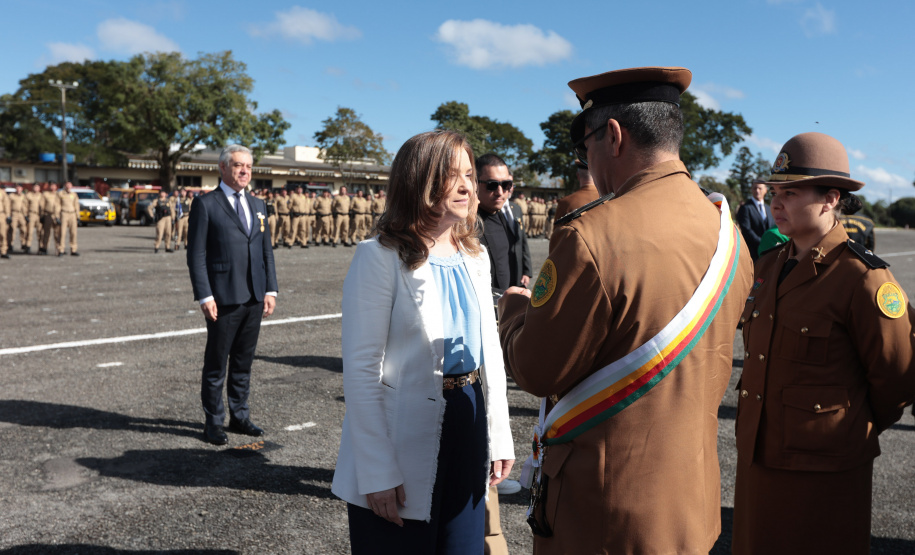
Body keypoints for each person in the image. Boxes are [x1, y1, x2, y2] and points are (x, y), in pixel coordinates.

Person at [497, 66, 753, 554]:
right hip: (689, 508)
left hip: (603, 515)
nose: (587, 161)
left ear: (613, 136)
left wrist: (513, 312)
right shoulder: (729, 235)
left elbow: (536, 368)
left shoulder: (592, 235)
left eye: (585, 145)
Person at [332, 130, 514, 554]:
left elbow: (492, 355)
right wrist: (375, 471)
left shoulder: (476, 255)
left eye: (470, 174)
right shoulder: (378, 257)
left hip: (468, 422)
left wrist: (500, 434)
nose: (469, 186)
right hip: (401, 433)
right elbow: (361, 372)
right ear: (421, 181)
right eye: (454, 176)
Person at [732, 132, 915, 554]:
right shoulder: (768, 265)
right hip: (759, 456)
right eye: (775, 192)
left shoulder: (862, 277)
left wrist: (843, 427)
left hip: (824, 469)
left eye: (791, 192)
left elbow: (898, 378)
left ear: (831, 199)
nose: (777, 203)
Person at [186, 144, 278, 446]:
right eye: (239, 165)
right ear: (223, 168)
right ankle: (213, 422)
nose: (245, 171)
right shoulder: (207, 204)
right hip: (223, 298)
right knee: (216, 364)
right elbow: (196, 255)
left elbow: (266, 251)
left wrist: (270, 289)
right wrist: (205, 295)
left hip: (253, 297)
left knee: (243, 362)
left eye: (249, 167)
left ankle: (240, 415)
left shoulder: (258, 205)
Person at [476, 153, 532, 292]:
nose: (500, 192)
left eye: (506, 184)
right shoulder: (464, 224)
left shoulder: (504, 214)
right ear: (474, 183)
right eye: (492, 185)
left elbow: (520, 245)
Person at [737, 179, 775, 261]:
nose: (757, 191)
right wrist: (763, 243)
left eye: (759, 188)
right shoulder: (745, 208)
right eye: (754, 188)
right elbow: (746, 229)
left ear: (765, 190)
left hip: (770, 254)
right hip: (753, 254)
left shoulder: (769, 208)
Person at [7, 183, 27, 255]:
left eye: (20, 188)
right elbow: (8, 205)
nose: (18, 189)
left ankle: (23, 243)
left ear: (22, 189)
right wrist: (8, 215)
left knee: (24, 229)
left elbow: (26, 205)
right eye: (17, 187)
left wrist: (26, 215)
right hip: (14, 214)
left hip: (22, 214)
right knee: (12, 229)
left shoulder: (24, 196)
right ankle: (10, 244)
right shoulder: (11, 196)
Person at [24, 184, 42, 254]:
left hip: (39, 215)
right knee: (29, 231)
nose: (36, 188)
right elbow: (25, 206)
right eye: (35, 187)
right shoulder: (28, 195)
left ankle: (41, 247)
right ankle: (28, 246)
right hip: (31, 214)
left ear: (39, 188)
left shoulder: (41, 196)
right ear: (32, 187)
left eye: (37, 187)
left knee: (40, 232)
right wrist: (25, 215)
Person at [0, 186, 9, 259]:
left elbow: (6, 204)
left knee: (3, 233)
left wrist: (8, 215)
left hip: (1, 215)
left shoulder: (2, 192)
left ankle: (3, 251)